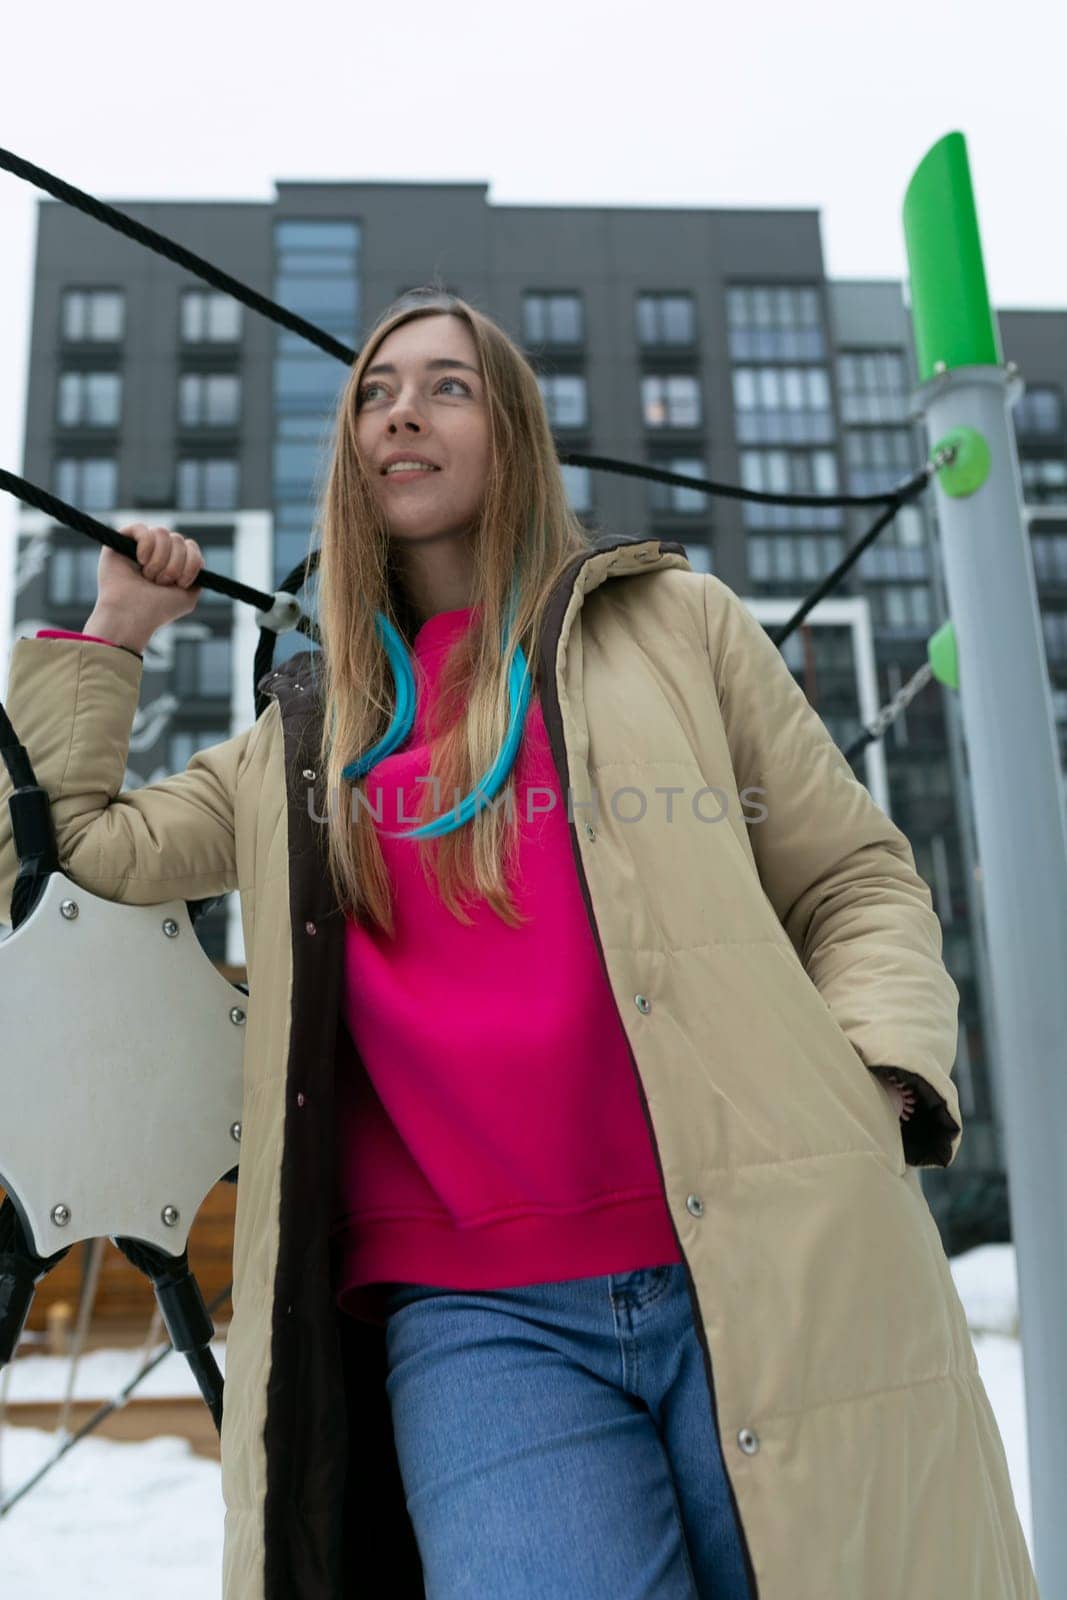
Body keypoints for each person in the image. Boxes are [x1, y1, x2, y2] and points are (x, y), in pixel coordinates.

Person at [0, 288, 1039, 1600]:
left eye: (445, 384)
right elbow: (62, 860)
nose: (400, 413)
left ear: (514, 432)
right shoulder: (297, 746)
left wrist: (875, 1086)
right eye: (376, 393)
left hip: (763, 1255)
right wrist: (112, 639)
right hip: (475, 1318)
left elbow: (854, 879)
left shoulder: (675, 630)